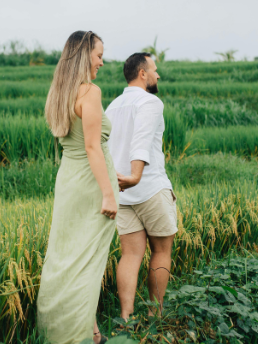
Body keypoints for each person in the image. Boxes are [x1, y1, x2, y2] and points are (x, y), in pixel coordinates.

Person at [36, 30, 117, 344]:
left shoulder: (59, 92)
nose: (102, 61)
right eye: (98, 55)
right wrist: (109, 192)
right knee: (88, 263)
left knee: (67, 257)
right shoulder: (90, 92)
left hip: (68, 181)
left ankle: (84, 331)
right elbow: (93, 147)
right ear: (84, 55)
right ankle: (82, 337)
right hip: (90, 184)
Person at [105, 52, 177, 321]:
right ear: (142, 73)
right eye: (154, 70)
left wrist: (120, 180)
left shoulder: (112, 106)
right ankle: (155, 314)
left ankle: (126, 317)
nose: (158, 75)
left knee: (130, 254)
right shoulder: (150, 102)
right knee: (161, 251)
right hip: (149, 187)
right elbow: (142, 140)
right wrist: (135, 175)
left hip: (122, 194)